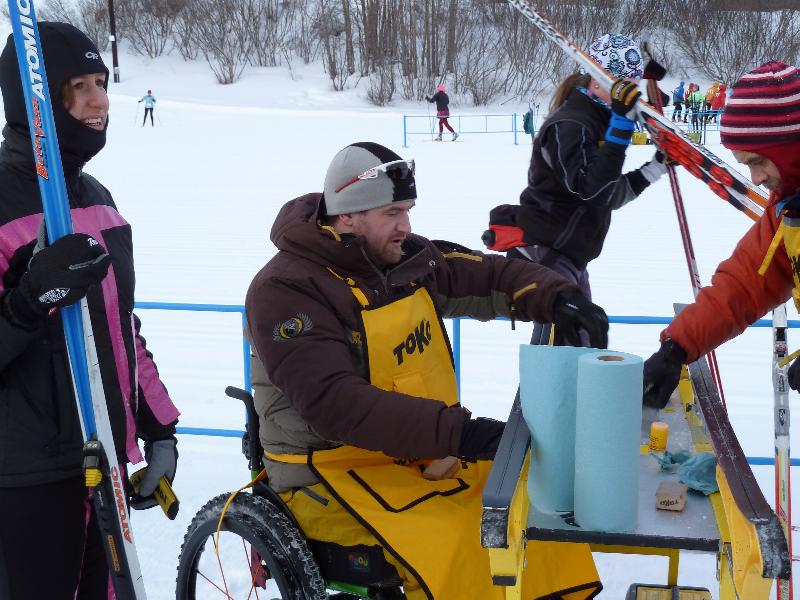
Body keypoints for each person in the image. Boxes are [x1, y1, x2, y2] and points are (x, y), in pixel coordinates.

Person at [245, 141, 608, 599]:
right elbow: (335, 405)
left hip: (421, 452)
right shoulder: (286, 289)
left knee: (533, 512)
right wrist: (463, 434)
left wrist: (557, 297)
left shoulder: (402, 261)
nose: (406, 226)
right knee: (460, 541)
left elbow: (489, 276)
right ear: (348, 216)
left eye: (408, 210)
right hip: (327, 470)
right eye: (392, 213)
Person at [0, 23, 180, 599]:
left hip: (100, 458)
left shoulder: (95, 198)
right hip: (24, 478)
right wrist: (30, 302)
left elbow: (120, 324)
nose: (99, 101)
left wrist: (157, 430)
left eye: (100, 82)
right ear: (34, 101)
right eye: (76, 86)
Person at [490, 32, 668, 344]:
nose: (634, 93)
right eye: (626, 84)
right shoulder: (571, 125)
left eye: (635, 85)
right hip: (545, 253)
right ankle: (541, 395)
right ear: (599, 80)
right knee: (562, 350)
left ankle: (559, 392)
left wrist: (656, 166)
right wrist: (623, 126)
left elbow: (607, 196)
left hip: (569, 254)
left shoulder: (599, 117)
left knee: (581, 345)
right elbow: (595, 191)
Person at [642, 61, 800, 409]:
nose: (755, 179)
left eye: (759, 161)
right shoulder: (788, 211)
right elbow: (746, 283)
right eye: (747, 166)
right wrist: (676, 347)